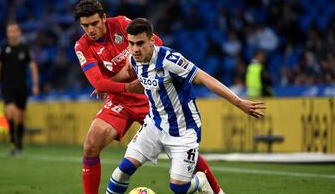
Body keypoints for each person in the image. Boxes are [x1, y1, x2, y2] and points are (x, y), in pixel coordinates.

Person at [74, 0, 223, 194]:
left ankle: (216, 190)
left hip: (150, 97)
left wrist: (134, 74)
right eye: (85, 26)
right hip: (121, 98)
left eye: (94, 23)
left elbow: (157, 43)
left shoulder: (121, 24)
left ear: (104, 17)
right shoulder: (82, 46)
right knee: (91, 144)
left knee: (181, 149)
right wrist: (128, 87)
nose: (91, 29)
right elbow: (99, 84)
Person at [105, 18, 265, 194]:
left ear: (152, 41)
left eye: (140, 43)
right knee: (122, 171)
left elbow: (205, 78)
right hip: (154, 124)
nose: (135, 49)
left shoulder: (170, 60)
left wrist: (239, 102)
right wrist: (108, 84)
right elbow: (128, 69)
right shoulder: (134, 58)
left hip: (183, 129)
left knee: (178, 188)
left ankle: (200, 182)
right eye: (131, 43)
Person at [0, 21, 39, 155]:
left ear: (18, 32)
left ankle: (19, 144)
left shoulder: (24, 48)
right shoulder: (2, 48)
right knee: (11, 112)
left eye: (14, 31)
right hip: (7, 87)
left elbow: (33, 66)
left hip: (22, 87)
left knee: (20, 117)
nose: (12, 33)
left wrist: (35, 84)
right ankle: (12, 142)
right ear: (7, 33)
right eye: (10, 31)